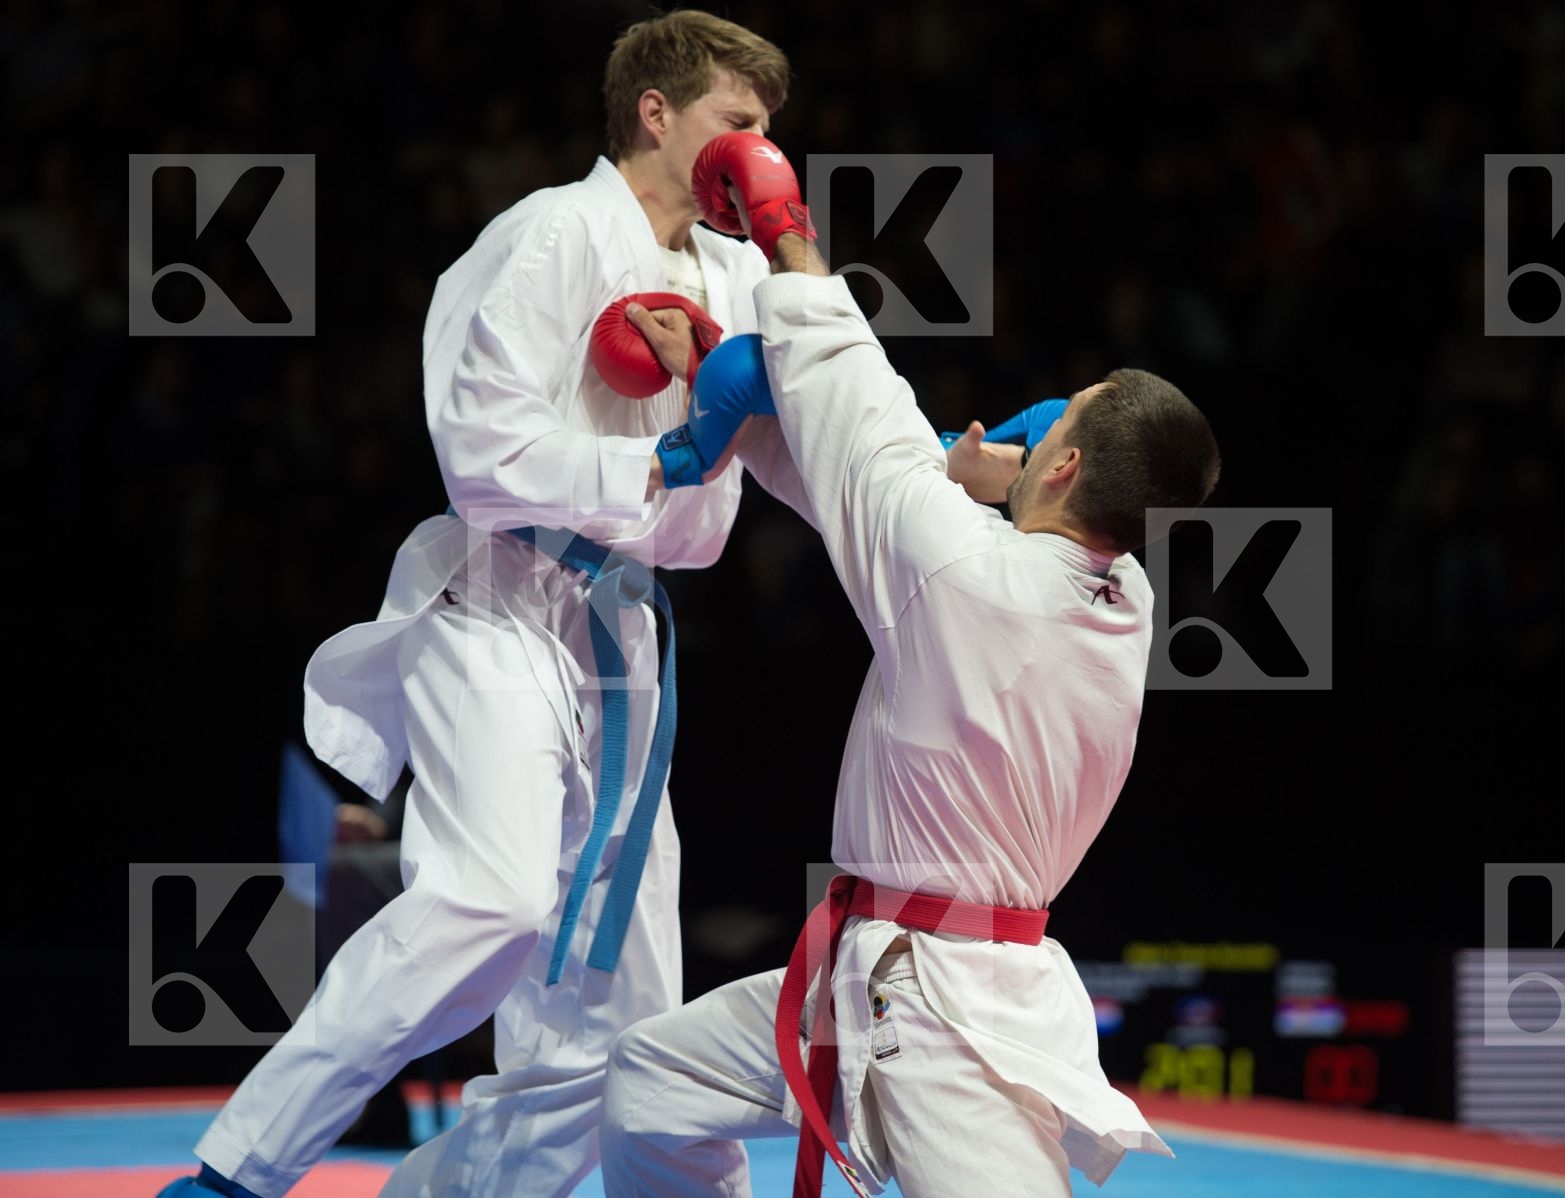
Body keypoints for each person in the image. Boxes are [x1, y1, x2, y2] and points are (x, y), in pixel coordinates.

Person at [157, 14, 792, 1198]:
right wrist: (669, 458)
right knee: (489, 899)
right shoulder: (549, 233)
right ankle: (237, 1170)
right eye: (739, 125)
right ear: (656, 114)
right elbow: (480, 456)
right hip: (494, 602)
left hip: (627, 640)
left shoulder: (744, 273)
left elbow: (742, 496)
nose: (759, 154)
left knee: (614, 1007)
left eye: (770, 132)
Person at [596, 133, 1222, 1197]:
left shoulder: (969, 576)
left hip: (947, 1014)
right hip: (873, 968)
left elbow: (856, 406)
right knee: (651, 1080)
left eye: (1057, 419)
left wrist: (783, 230)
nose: (1040, 422)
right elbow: (869, 488)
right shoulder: (1126, 595)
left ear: (1062, 464)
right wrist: (731, 388)